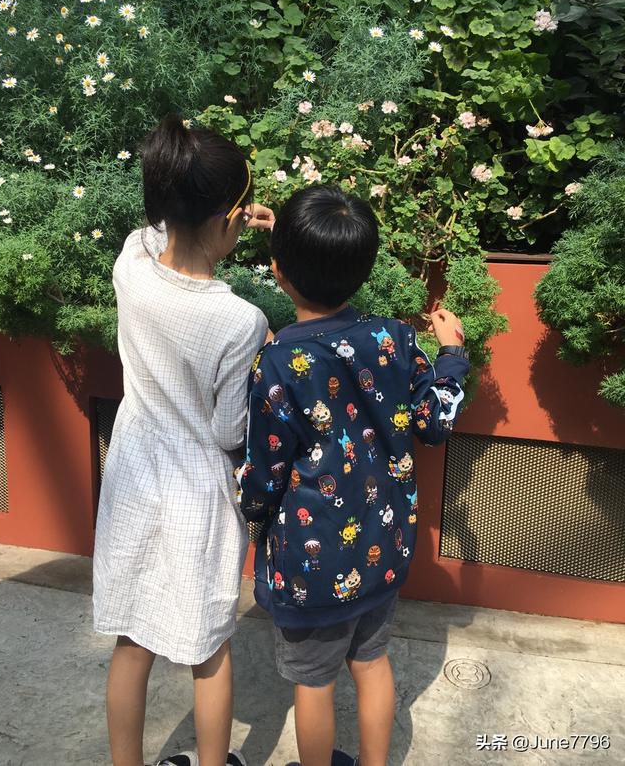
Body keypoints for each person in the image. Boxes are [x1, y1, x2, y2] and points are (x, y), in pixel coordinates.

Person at [239, 185, 470, 766]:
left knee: (314, 683)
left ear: (277, 272)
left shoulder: (277, 362)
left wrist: (251, 514)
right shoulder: (394, 338)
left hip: (311, 567)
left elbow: (264, 474)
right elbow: (434, 422)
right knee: (371, 664)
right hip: (382, 550)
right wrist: (452, 355)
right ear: (364, 269)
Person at [93, 115, 274, 766]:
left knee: (131, 638)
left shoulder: (131, 263)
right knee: (209, 648)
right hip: (198, 491)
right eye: (240, 211)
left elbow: (153, 232)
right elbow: (228, 429)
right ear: (225, 219)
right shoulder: (240, 320)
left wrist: (223, 211)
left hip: (134, 470)